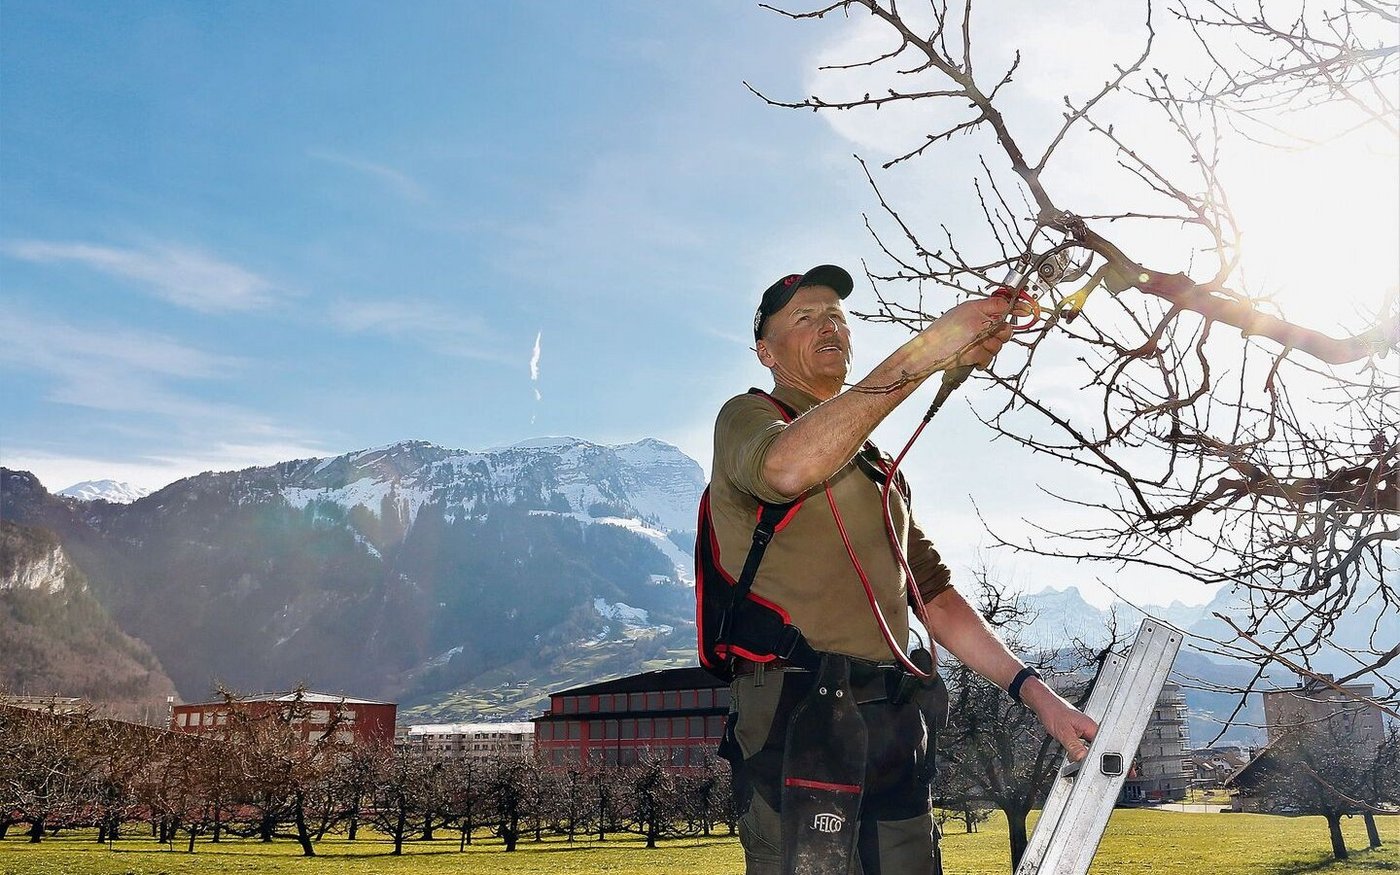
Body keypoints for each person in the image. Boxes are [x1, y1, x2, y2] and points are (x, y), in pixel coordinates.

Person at [708, 264, 1098, 875]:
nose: (827, 323)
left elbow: (936, 600)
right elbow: (784, 470)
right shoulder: (748, 419)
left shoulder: (876, 468)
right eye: (804, 318)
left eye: (836, 313)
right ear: (766, 351)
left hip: (893, 719)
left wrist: (1040, 697)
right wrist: (926, 351)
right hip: (796, 714)